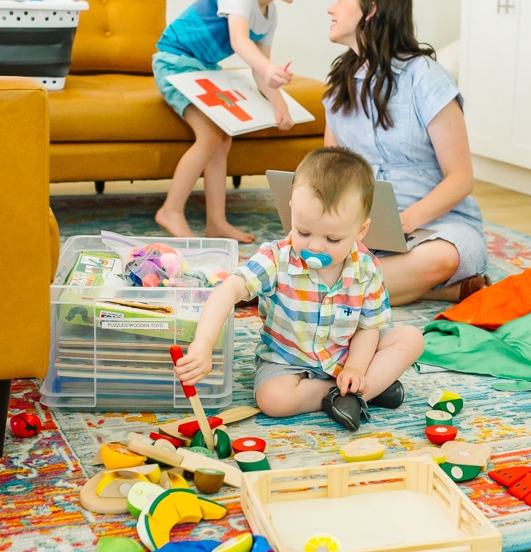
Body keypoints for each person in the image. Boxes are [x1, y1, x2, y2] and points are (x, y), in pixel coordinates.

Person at [175, 146, 424, 432]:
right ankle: (359, 392)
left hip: (346, 354)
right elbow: (227, 291)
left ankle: (353, 388)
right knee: (272, 400)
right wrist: (203, 344)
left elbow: (368, 328)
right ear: (292, 207)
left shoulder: (367, 268)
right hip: (287, 361)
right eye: (304, 232)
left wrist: (355, 367)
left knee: (411, 338)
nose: (315, 246)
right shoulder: (275, 258)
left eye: (333, 238)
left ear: (360, 231)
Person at [324, 0, 488, 306]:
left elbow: (461, 179)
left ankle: (330, 293)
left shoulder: (425, 77)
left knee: (439, 259)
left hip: (438, 226)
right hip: (365, 228)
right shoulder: (341, 85)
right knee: (302, 251)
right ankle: (438, 290)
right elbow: (331, 172)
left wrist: (405, 222)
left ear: (369, 11)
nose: (331, 8)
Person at [152, 0, 314, 241]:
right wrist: (267, 68)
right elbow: (240, 42)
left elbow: (259, 70)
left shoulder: (270, 15)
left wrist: (279, 103)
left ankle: (216, 222)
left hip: (202, 67)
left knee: (223, 139)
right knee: (211, 135)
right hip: (174, 60)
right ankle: (170, 210)